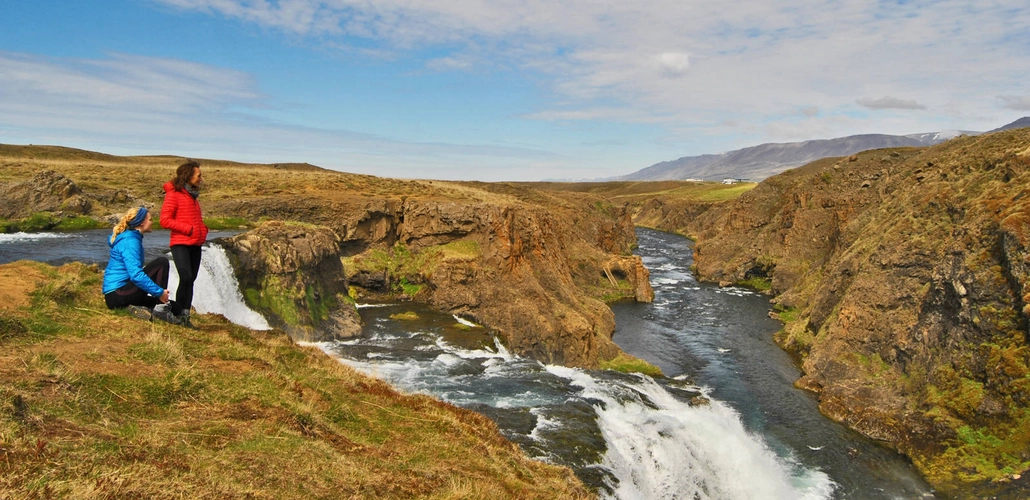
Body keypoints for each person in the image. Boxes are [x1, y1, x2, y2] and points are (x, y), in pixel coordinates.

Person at [102, 206, 179, 324]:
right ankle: (159, 309)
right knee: (161, 263)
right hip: (118, 293)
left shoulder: (132, 238)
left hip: (120, 294)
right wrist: (159, 292)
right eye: (150, 219)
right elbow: (136, 275)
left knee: (175, 307)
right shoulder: (130, 241)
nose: (152, 222)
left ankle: (133, 308)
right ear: (142, 223)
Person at [160, 160, 208, 329]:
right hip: (180, 243)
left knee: (191, 280)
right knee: (186, 277)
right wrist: (188, 229)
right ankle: (177, 314)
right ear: (188, 176)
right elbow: (164, 220)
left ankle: (185, 317)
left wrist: (202, 230)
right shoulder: (174, 194)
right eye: (199, 175)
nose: (201, 179)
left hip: (195, 243)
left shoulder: (193, 197)